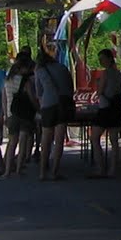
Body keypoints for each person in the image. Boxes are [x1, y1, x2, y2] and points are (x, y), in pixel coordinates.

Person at [33, 49, 75, 181]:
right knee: (59, 139)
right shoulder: (63, 68)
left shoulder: (39, 70)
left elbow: (39, 92)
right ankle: (54, 172)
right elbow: (71, 87)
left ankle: (42, 172)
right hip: (63, 105)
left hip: (48, 105)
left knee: (46, 139)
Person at [88, 48, 121, 179]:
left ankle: (101, 168)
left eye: (102, 59)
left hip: (105, 108)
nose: (101, 61)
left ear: (109, 59)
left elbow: (100, 91)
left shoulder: (105, 73)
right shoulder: (119, 74)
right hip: (116, 108)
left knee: (94, 137)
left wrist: (98, 85)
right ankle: (113, 169)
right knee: (114, 140)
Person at [1, 49, 38, 176]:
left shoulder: (7, 80)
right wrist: (37, 108)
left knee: (12, 143)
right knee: (22, 142)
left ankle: (7, 170)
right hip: (25, 114)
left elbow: (4, 98)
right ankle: (18, 169)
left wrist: (5, 114)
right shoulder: (25, 81)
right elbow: (32, 97)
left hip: (11, 112)